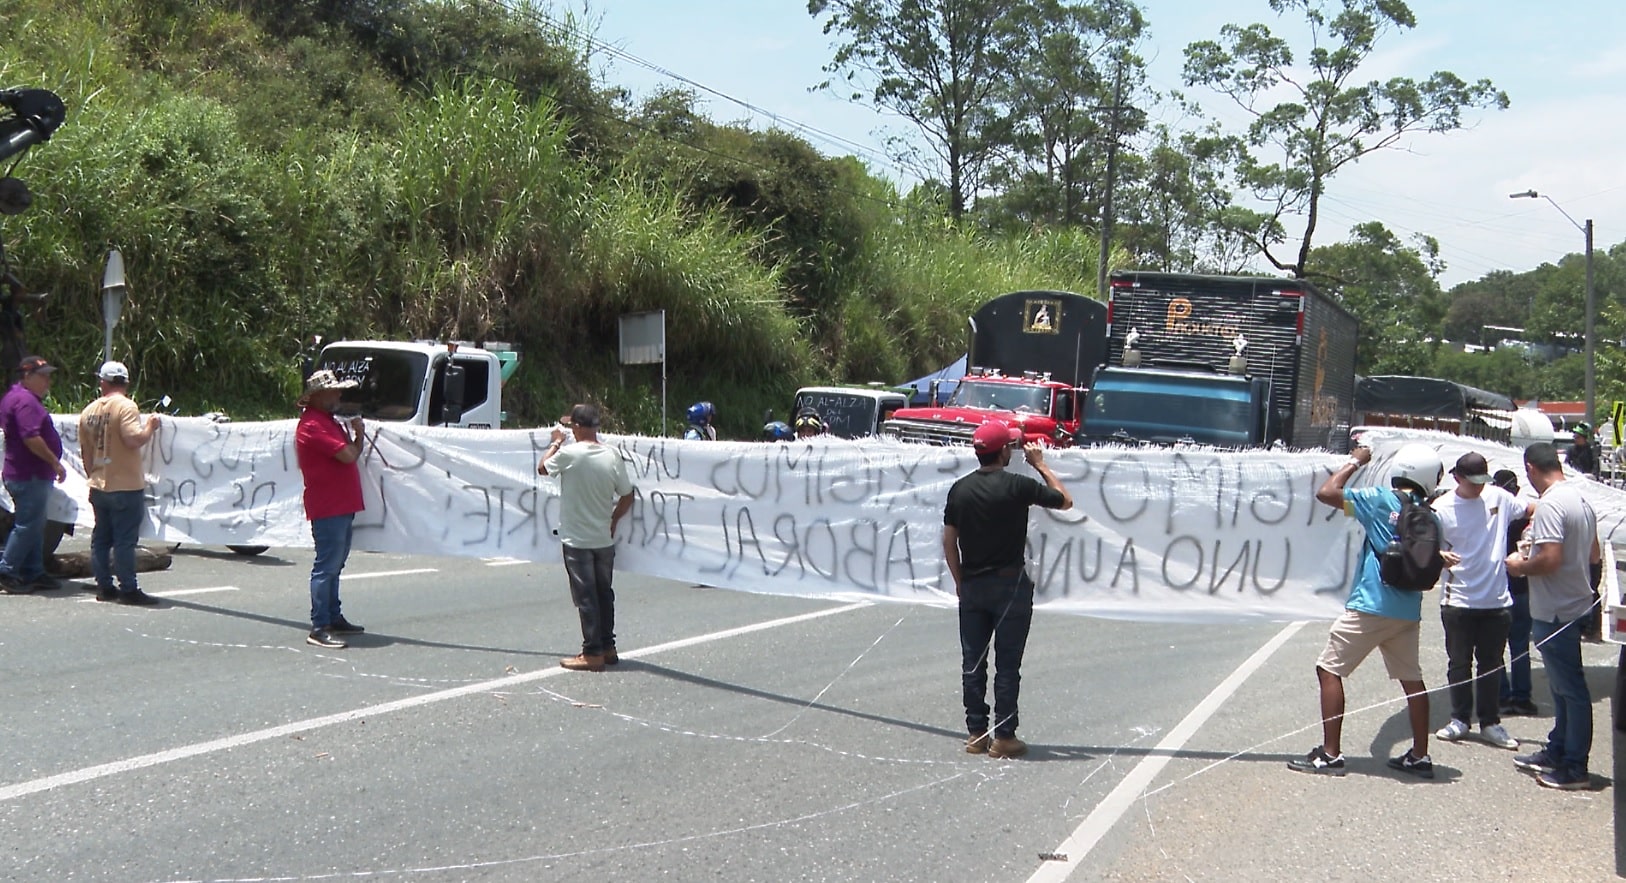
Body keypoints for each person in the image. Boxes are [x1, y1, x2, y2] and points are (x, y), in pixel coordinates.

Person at [1291, 441, 1440, 778]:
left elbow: (1327, 493)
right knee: (1412, 680)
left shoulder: (1380, 500)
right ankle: (1420, 755)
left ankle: (1330, 755)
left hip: (1371, 605)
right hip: (1407, 608)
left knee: (1328, 669)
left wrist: (1355, 462)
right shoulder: (1429, 513)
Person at [942, 420, 1073, 759]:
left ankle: (975, 733)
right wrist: (1040, 464)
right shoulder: (1017, 485)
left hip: (972, 585)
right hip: (1009, 585)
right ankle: (1004, 736)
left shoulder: (959, 489)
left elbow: (949, 540)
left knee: (973, 661)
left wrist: (959, 581)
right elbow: (1064, 500)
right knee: (1007, 664)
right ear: (1004, 451)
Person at [1505, 441, 1599, 790]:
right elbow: (1593, 551)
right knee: (1561, 688)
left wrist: (1519, 566)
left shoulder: (1549, 505)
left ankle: (1575, 766)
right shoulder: (1580, 500)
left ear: (1530, 468)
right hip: (1573, 602)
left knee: (1570, 689)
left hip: (1556, 609)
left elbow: (1550, 559)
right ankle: (1559, 748)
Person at [1431, 452, 1529, 750]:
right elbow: (1422, 544)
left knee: (1491, 664)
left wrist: (1529, 536)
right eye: (1472, 482)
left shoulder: (1498, 497)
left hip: (1497, 600)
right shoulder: (1441, 508)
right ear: (1457, 478)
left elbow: (1533, 509)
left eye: (1482, 482)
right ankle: (1460, 718)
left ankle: (1491, 722)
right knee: (1459, 663)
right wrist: (1438, 556)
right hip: (1458, 599)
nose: (1478, 488)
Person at [540, 403, 635, 672]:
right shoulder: (612, 455)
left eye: (571, 426)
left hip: (577, 540)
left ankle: (591, 653)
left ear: (578, 428)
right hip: (604, 539)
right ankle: (608, 646)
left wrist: (556, 443)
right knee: (604, 594)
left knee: (586, 597)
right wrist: (614, 520)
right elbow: (627, 494)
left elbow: (543, 468)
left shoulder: (569, 453)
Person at [78, 360, 162, 605]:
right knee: (125, 541)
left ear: (102, 383)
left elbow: (85, 452)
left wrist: (92, 474)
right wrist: (150, 427)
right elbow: (132, 439)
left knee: (101, 539)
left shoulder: (89, 411)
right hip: (125, 484)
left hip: (99, 482)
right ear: (125, 382)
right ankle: (128, 589)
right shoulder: (126, 406)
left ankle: (104, 586)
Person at [295, 369, 367, 649]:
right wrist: (359, 436)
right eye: (334, 391)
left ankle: (332, 617)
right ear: (318, 396)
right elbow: (348, 455)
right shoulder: (314, 425)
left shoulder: (326, 421)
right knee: (327, 565)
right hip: (329, 505)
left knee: (335, 564)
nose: (339, 395)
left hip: (339, 503)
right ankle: (320, 624)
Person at [0, 355, 66, 594]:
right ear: (27, 376)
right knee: (28, 526)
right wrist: (54, 463)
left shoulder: (15, 396)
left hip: (24, 473)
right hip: (30, 474)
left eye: (49, 376)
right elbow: (31, 437)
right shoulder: (26, 402)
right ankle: (6, 570)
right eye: (43, 376)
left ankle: (34, 571)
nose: (47, 381)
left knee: (35, 524)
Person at [1493, 469, 1539, 717]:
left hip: (1498, 587)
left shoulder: (1492, 517)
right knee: (1520, 645)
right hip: (1522, 586)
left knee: (1494, 647)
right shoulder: (1526, 521)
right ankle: (1522, 697)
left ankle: (1501, 696)